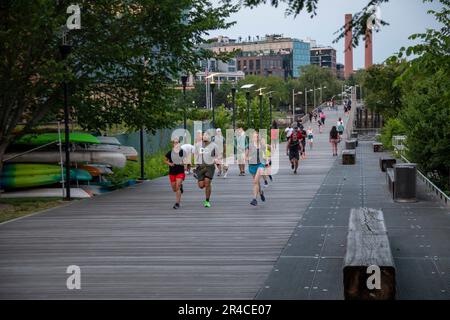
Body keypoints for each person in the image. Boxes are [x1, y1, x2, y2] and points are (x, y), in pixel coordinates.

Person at [194, 131, 218, 208]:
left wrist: (216, 159)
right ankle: (205, 183)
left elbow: (218, 155)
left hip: (210, 166)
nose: (204, 136)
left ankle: (207, 201)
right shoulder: (198, 145)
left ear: (210, 137)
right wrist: (195, 165)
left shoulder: (214, 145)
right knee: (201, 186)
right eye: (203, 135)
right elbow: (195, 155)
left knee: (207, 183)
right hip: (200, 167)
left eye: (206, 135)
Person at [164, 137, 185, 209]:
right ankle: (180, 186)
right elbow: (165, 160)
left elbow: (185, 161)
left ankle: (177, 203)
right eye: (174, 142)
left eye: (177, 142)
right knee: (174, 189)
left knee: (177, 186)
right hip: (172, 171)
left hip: (180, 171)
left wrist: (182, 163)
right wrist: (169, 164)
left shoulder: (182, 152)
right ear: (172, 144)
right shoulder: (170, 152)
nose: (176, 144)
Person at [247, 131, 267, 206]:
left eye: (257, 136)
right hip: (252, 166)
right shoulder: (249, 146)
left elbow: (268, 151)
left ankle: (254, 199)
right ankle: (261, 192)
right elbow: (246, 156)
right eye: (255, 136)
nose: (256, 138)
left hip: (260, 164)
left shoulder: (262, 145)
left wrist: (267, 158)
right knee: (257, 183)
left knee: (255, 181)